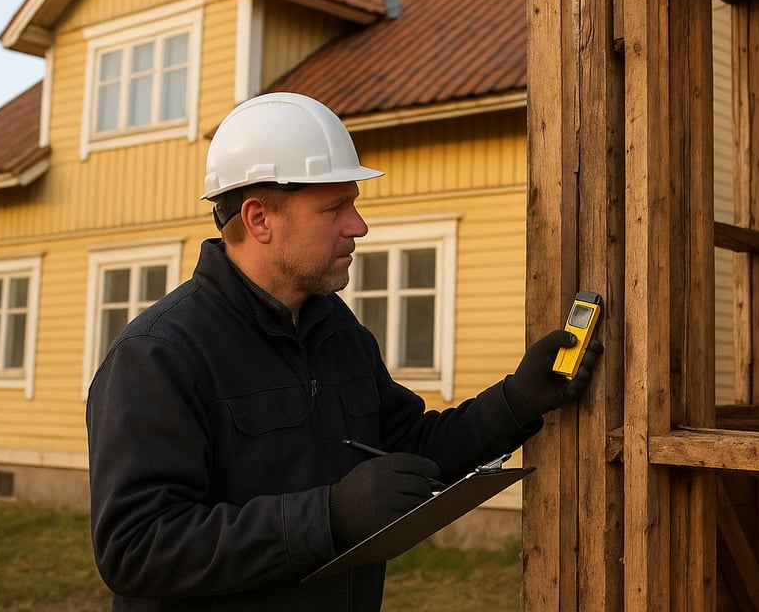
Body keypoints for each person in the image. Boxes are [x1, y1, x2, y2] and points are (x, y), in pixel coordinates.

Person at [86, 92, 603, 611]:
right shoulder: (158, 355)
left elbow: (407, 451)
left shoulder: (339, 332)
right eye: (334, 207)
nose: (358, 226)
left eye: (353, 203)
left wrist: (515, 402)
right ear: (259, 219)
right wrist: (330, 517)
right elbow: (135, 549)